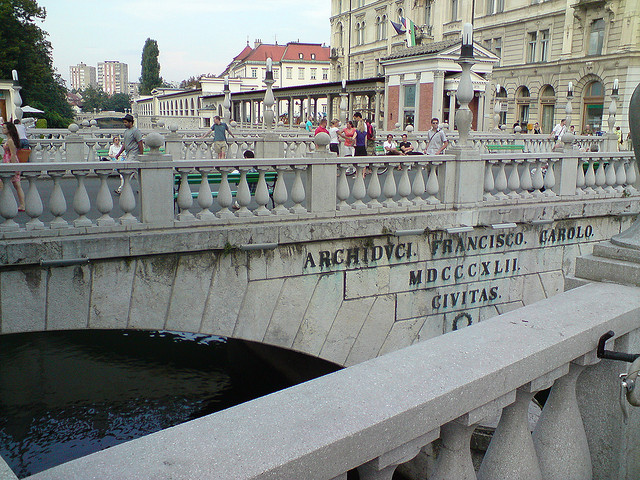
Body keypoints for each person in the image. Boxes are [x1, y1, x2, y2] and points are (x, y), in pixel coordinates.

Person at [114, 114, 143, 194]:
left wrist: (141, 155)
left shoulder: (136, 131)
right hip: (128, 153)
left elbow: (140, 143)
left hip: (134, 154)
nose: (125, 124)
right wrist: (119, 153)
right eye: (124, 122)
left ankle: (121, 189)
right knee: (136, 174)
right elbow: (125, 144)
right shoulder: (126, 132)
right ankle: (142, 188)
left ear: (131, 122)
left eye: (126, 122)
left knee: (126, 171)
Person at [1, 122, 26, 211]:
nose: (2, 129)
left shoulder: (10, 141)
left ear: (9, 130)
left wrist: (13, 166)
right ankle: (22, 204)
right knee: (16, 185)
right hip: (8, 161)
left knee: (16, 184)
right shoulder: (9, 139)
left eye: (4, 128)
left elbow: (13, 154)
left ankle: (22, 204)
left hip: (10, 161)